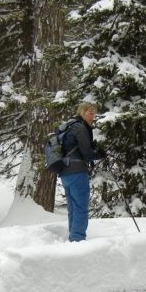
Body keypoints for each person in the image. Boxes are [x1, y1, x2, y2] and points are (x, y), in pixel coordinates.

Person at [58, 102, 102, 242]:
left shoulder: (70, 126)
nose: (92, 117)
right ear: (82, 112)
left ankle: (73, 236)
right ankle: (77, 240)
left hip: (65, 172)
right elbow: (87, 154)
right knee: (81, 207)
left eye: (94, 114)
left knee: (73, 207)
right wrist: (100, 153)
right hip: (77, 171)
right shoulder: (80, 128)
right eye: (90, 113)